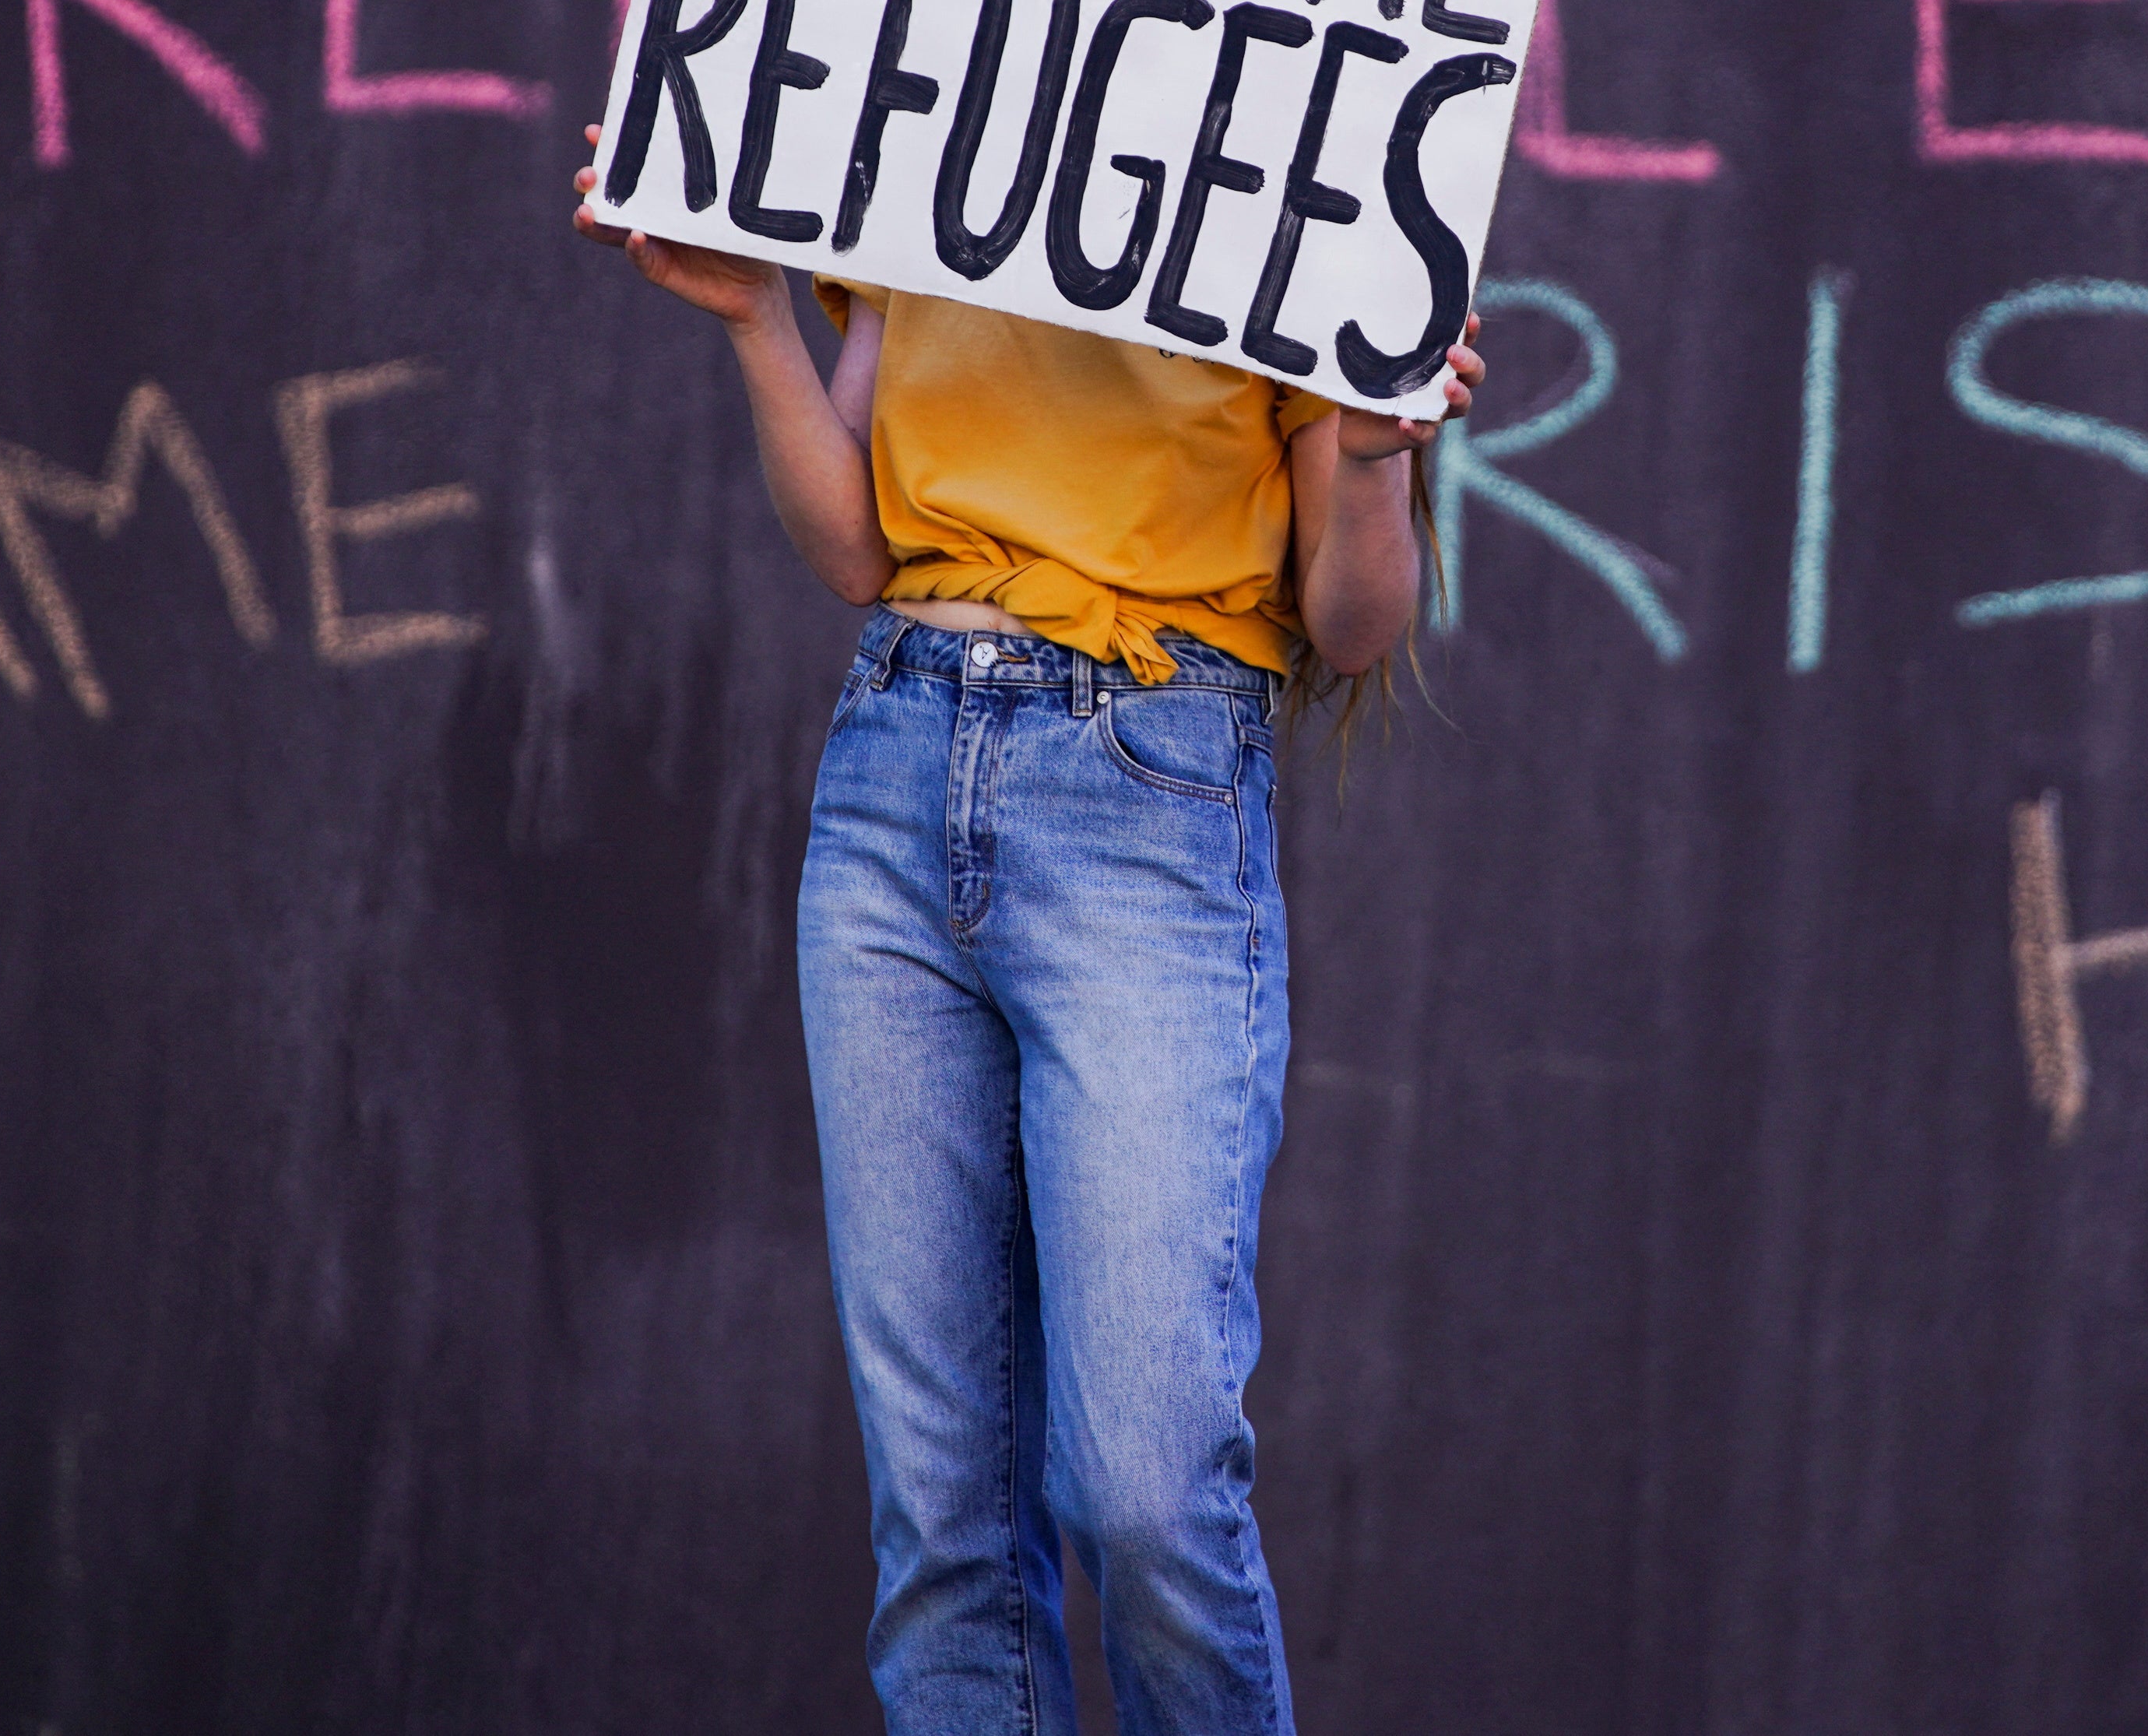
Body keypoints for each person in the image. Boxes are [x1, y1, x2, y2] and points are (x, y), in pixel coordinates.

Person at [577, 123, 1478, 1736]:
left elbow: (1352, 618)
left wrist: (1385, 446)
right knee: (940, 1521)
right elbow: (857, 546)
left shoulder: (1301, 156)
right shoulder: (947, 109)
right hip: (894, 770)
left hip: (1148, 777)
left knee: (1142, 1486)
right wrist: (754, 319)